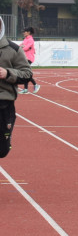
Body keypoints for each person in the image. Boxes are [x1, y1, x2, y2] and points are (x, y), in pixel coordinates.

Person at [0, 17, 33, 158]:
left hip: (3, 104)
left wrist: (8, 73)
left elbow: (27, 74)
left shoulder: (13, 49)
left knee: (2, 149)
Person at [18, 27, 39, 94]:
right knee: (25, 73)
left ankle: (35, 84)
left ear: (29, 32)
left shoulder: (31, 40)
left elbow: (25, 48)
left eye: (25, 31)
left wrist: (21, 47)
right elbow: (20, 46)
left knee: (26, 73)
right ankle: (26, 89)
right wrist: (20, 47)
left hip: (29, 58)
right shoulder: (25, 39)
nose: (23, 33)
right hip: (24, 58)